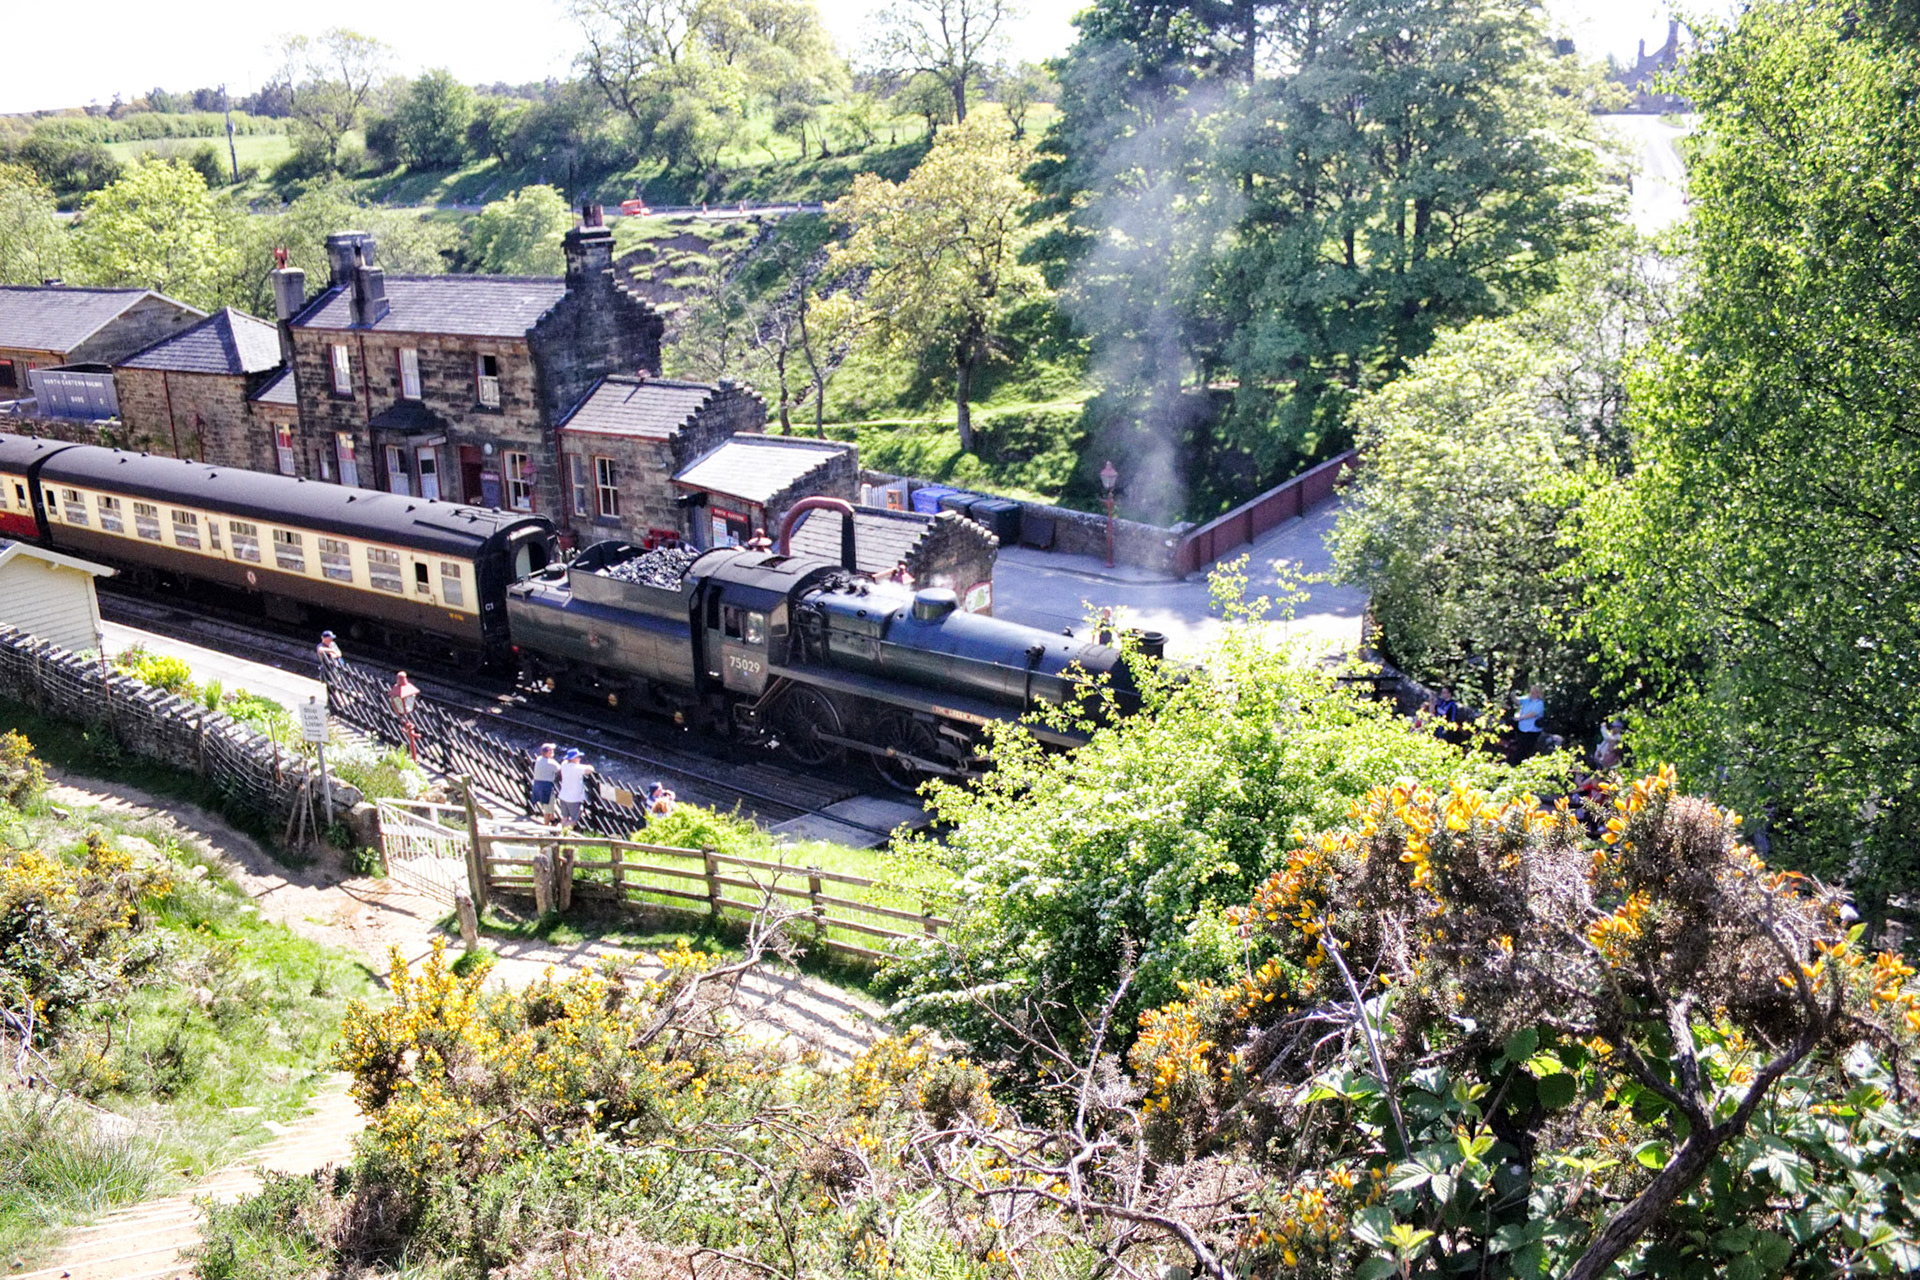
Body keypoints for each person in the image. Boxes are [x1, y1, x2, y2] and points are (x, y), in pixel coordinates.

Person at [556, 748, 594, 830]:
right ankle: (564, 835)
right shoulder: (577, 768)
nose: (579, 759)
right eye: (578, 757)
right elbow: (590, 769)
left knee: (564, 818)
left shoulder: (564, 765)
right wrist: (588, 765)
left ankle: (557, 831)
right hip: (574, 799)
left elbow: (565, 761)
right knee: (573, 820)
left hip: (563, 796)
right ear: (573, 759)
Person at [530, 743, 560, 823]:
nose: (553, 751)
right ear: (548, 752)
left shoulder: (539, 759)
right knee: (548, 810)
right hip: (546, 786)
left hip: (537, 785)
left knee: (549, 806)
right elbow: (560, 769)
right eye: (552, 750)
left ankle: (553, 820)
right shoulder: (551, 763)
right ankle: (546, 828)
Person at [1514, 685, 1546, 758]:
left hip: (1532, 730)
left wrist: (1520, 718)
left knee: (1526, 749)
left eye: (1535, 692)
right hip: (1523, 728)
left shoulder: (1540, 703)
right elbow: (1517, 701)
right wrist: (1513, 694)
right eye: (1532, 691)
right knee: (1520, 747)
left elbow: (1532, 714)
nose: (1533, 693)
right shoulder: (1527, 699)